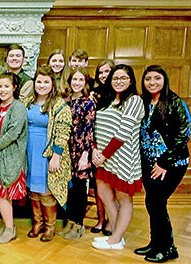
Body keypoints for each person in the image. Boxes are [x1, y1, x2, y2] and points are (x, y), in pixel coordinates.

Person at [135, 65, 189, 262]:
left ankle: (168, 248)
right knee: (152, 202)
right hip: (149, 162)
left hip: (171, 164)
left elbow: (184, 134)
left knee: (157, 203)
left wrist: (164, 163)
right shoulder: (145, 101)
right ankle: (156, 243)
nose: (152, 82)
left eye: (157, 78)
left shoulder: (175, 103)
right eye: (148, 79)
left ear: (164, 80)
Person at [91, 64, 144, 250]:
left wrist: (103, 155)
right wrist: (95, 150)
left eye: (123, 78)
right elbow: (97, 127)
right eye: (115, 78)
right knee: (104, 192)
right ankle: (116, 235)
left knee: (124, 198)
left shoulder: (134, 101)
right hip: (103, 157)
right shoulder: (107, 99)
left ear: (131, 80)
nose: (119, 81)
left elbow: (123, 133)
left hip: (122, 158)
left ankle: (116, 239)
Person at [23, 64, 71, 242]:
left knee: (46, 192)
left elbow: (63, 132)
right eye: (39, 81)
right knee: (33, 191)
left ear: (52, 84)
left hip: (47, 154)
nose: (41, 85)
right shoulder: (28, 102)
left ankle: (50, 227)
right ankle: (37, 223)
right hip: (29, 151)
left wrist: (56, 156)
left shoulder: (59, 106)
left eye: (46, 82)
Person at [0, 72, 28, 244]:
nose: (2, 90)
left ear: (14, 88)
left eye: (6, 86)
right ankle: (6, 225)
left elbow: (13, 134)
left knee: (2, 193)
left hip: (6, 157)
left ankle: (10, 229)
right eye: (0, 86)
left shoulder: (18, 108)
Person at [58, 67, 95, 240]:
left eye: (81, 80)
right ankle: (70, 221)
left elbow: (89, 130)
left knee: (80, 189)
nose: (77, 83)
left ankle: (79, 224)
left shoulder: (88, 102)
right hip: (66, 150)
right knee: (69, 188)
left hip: (81, 151)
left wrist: (85, 155)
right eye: (75, 79)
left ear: (86, 82)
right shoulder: (65, 100)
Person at [89, 59, 115, 236]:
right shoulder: (95, 94)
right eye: (101, 72)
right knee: (99, 186)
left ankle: (112, 221)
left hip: (115, 148)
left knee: (113, 186)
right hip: (96, 147)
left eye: (107, 71)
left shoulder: (122, 94)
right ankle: (100, 218)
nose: (104, 75)